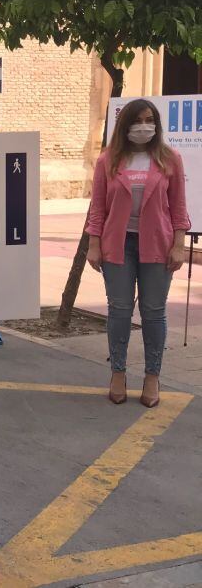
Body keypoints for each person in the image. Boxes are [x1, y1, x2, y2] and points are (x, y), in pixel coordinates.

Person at [85, 98, 190, 408]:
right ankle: (118, 372)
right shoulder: (109, 160)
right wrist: (93, 243)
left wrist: (179, 243)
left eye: (149, 119)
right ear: (125, 124)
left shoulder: (170, 158)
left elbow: (179, 207)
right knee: (118, 309)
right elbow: (98, 206)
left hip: (158, 243)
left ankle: (152, 376)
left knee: (154, 311)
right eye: (137, 120)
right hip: (118, 243)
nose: (143, 125)